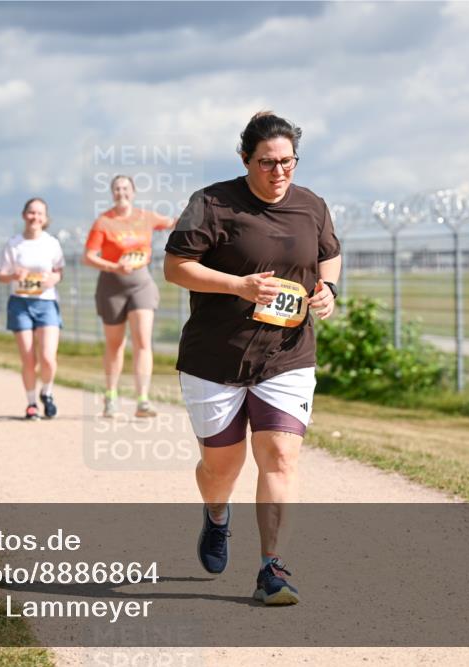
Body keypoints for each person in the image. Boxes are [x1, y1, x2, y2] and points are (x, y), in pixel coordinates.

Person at [163, 111, 341, 606]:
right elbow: (176, 268)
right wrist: (237, 285)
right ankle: (217, 515)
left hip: (287, 354)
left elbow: (330, 254)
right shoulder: (211, 203)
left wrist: (328, 288)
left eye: (288, 162)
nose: (279, 172)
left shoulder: (312, 206)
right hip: (215, 358)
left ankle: (272, 568)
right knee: (221, 467)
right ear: (245, 160)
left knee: (281, 455)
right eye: (267, 162)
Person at [84, 175, 175, 418]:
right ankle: (111, 396)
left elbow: (173, 223)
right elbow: (89, 256)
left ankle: (142, 400)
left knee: (143, 341)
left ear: (133, 192)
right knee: (115, 345)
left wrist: (197, 214)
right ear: (112, 193)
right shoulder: (103, 222)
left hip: (140, 285)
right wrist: (114, 267)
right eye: (116, 188)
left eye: (125, 188)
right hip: (112, 287)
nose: (121, 192)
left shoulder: (145, 217)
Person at [0, 198, 65, 420]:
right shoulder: (14, 244)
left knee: (47, 357)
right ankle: (31, 402)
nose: (35, 217)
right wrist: (13, 275)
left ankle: (47, 392)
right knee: (28, 359)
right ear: (24, 215)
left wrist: (53, 278)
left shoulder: (52, 243)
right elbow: (0, 275)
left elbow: (59, 271)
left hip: (46, 303)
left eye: (40, 214)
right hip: (20, 303)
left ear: (45, 218)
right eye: (31, 213)